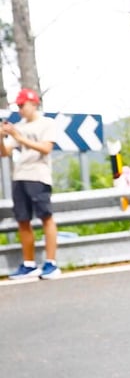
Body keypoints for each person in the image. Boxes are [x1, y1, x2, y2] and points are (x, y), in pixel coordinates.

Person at [2, 88, 61, 280]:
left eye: (22, 105)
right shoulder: (19, 126)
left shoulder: (47, 124)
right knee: (23, 220)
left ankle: (51, 263)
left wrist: (19, 138)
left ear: (33, 103)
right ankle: (29, 264)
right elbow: (5, 152)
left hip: (39, 176)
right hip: (20, 176)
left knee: (46, 217)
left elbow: (46, 148)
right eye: (18, 106)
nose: (20, 109)